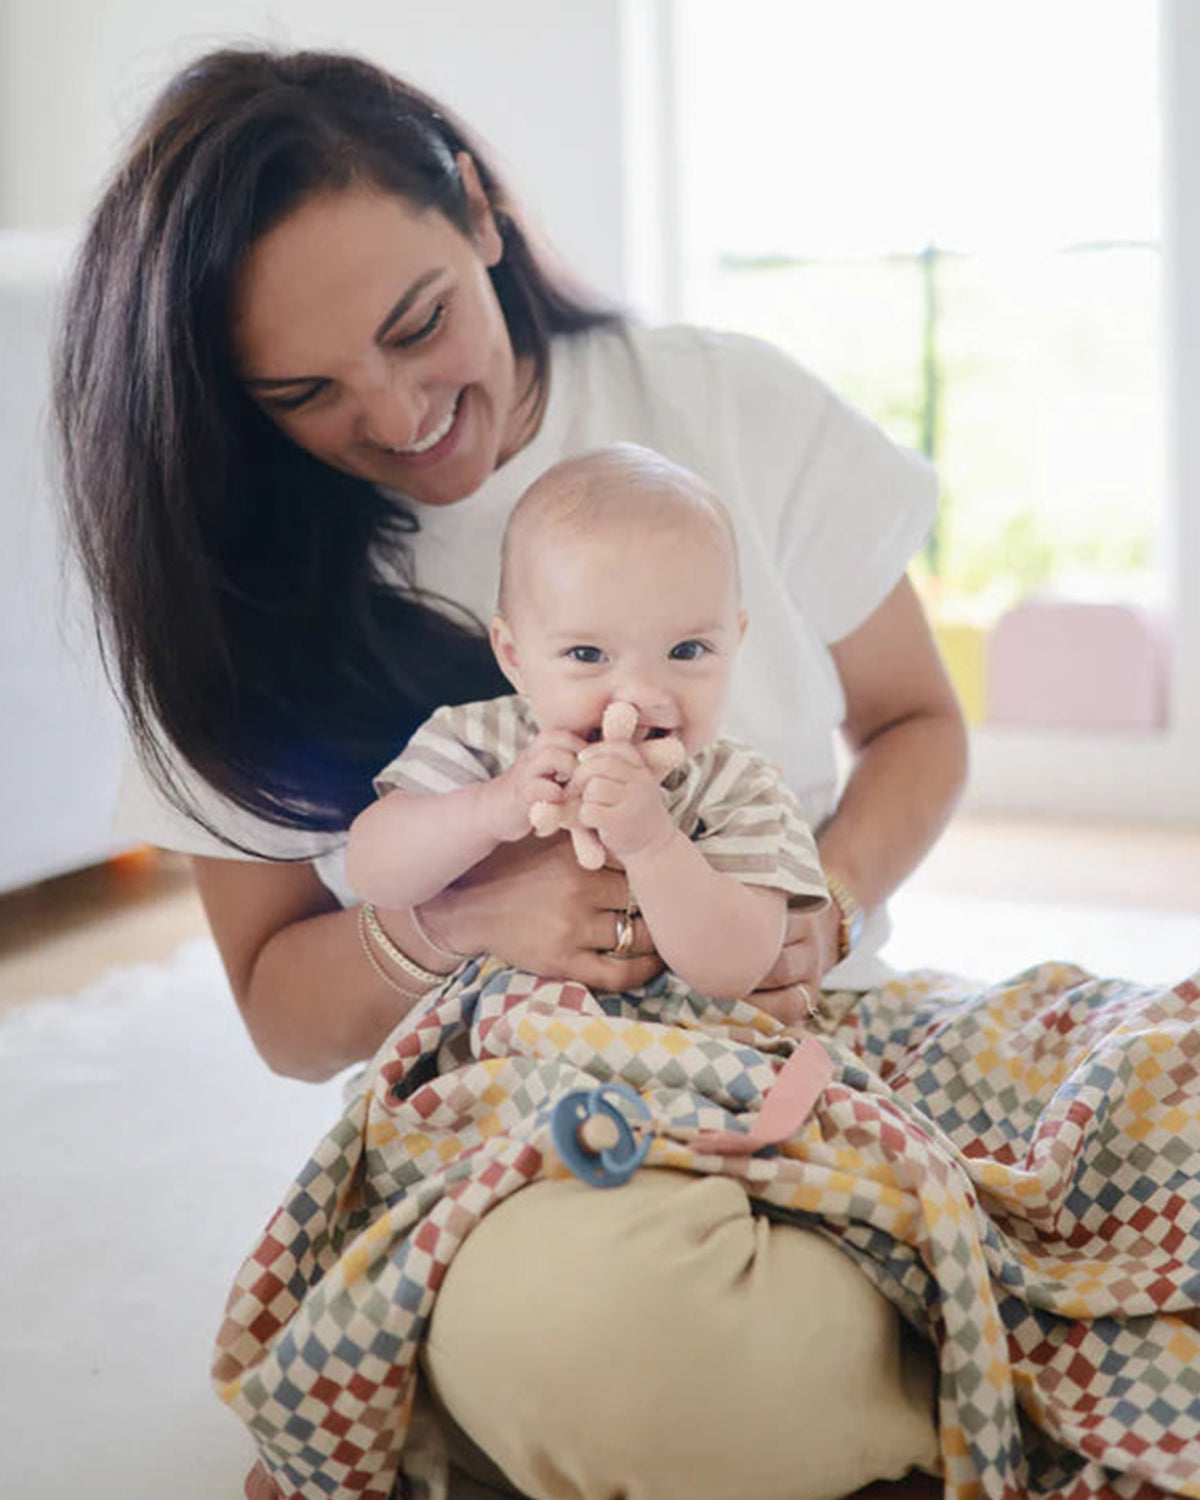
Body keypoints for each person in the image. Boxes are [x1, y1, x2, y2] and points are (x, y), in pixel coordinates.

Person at [54, 45, 963, 1500]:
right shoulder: (231, 602)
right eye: (305, 391)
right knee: (592, 1340)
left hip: (818, 1050)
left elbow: (921, 723)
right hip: (539, 1113)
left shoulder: (727, 407)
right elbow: (285, 1015)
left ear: (478, 212)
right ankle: (950, 1353)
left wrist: (819, 910)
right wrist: (467, 921)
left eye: (421, 326)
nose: (403, 414)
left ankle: (905, 1324)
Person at [346, 442, 830, 1012]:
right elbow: (373, 872)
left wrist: (653, 845)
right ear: (513, 655)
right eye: (587, 654)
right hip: (500, 1056)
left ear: (735, 641)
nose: (644, 693)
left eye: (687, 649)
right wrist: (489, 808)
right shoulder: (478, 743)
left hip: (681, 1063)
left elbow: (736, 968)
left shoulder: (738, 789)